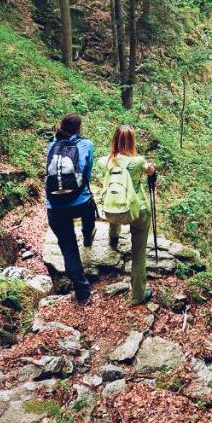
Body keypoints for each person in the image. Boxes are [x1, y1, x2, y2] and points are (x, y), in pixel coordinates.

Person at [94, 125, 156, 306]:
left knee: (116, 203)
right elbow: (150, 170)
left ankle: (114, 237)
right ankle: (138, 295)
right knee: (138, 253)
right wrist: (151, 167)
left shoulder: (104, 162)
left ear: (114, 140)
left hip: (112, 211)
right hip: (137, 211)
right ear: (132, 142)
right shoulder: (138, 162)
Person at [44, 113, 96, 304]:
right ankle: (88, 233)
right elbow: (87, 174)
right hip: (80, 202)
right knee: (89, 206)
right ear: (79, 129)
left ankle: (83, 294)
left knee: (69, 249)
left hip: (55, 208)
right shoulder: (86, 145)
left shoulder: (51, 145)